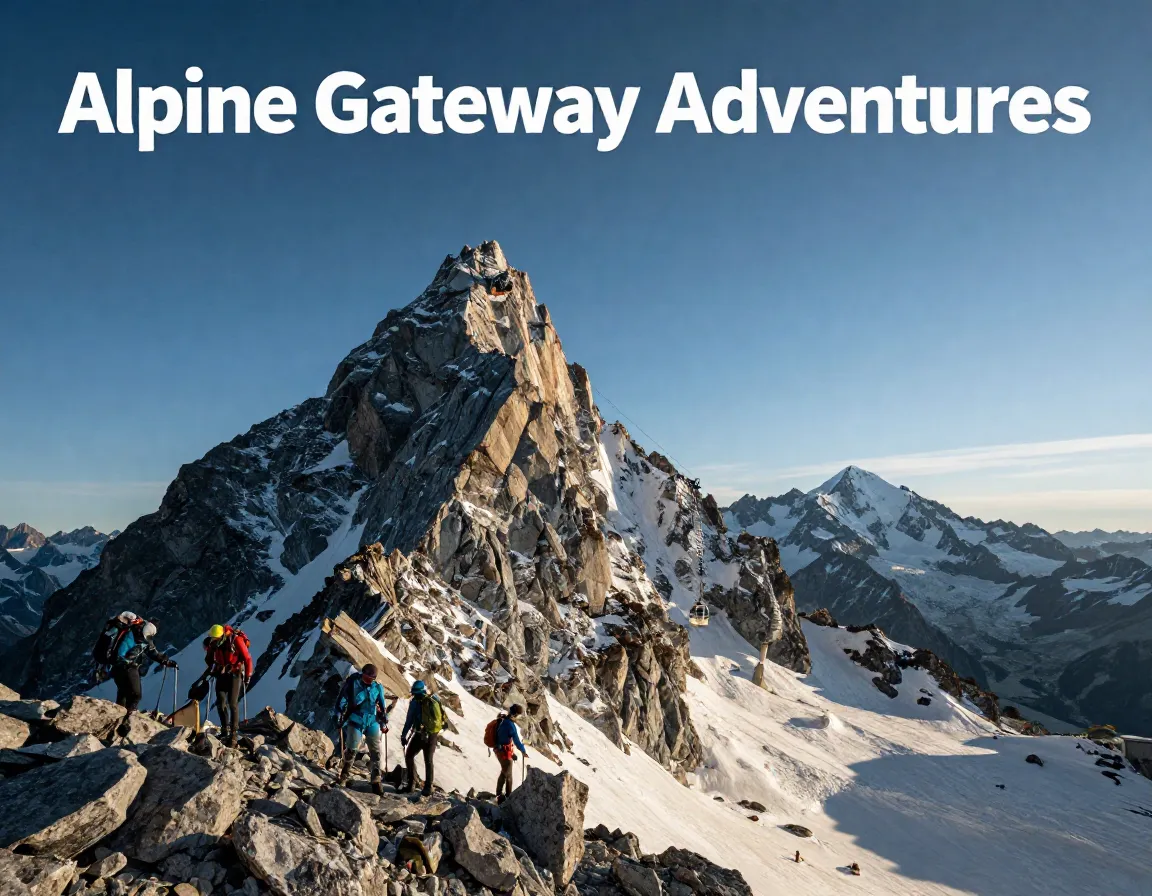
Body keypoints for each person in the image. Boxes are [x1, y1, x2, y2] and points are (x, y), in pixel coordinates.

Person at [107, 618, 176, 736]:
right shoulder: (136, 636)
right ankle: (125, 723)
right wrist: (166, 661)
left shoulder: (137, 633)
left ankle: (116, 725)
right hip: (127, 666)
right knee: (135, 694)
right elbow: (152, 652)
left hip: (117, 668)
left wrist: (166, 661)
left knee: (124, 693)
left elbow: (152, 652)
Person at [335, 664, 396, 795]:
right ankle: (344, 777)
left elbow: (382, 706)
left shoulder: (377, 687)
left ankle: (376, 781)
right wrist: (339, 714)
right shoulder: (352, 683)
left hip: (371, 721)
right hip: (356, 720)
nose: (370, 680)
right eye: (368, 677)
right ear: (363, 673)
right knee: (352, 749)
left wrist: (383, 722)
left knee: (375, 751)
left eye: (372, 678)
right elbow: (342, 699)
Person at [204, 623, 252, 747]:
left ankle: (234, 734)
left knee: (232, 703)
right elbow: (209, 659)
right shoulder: (216, 643)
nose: (213, 641)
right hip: (222, 673)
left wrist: (247, 676)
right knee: (221, 702)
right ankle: (225, 730)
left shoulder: (236, 640)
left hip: (235, 674)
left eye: (215, 639)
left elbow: (247, 658)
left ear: (221, 637)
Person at [401, 680, 443, 796]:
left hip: (420, 734)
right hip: (432, 735)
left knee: (409, 755)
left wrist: (404, 735)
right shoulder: (434, 699)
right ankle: (428, 787)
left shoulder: (415, 702)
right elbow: (442, 719)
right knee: (428, 761)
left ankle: (411, 784)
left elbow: (409, 720)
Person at [494, 704, 529, 802]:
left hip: (500, 750)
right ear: (516, 714)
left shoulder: (504, 721)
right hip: (503, 752)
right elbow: (517, 741)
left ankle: (498, 794)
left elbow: (503, 738)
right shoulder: (510, 725)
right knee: (508, 776)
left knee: (504, 772)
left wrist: (512, 754)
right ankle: (508, 798)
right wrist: (523, 751)